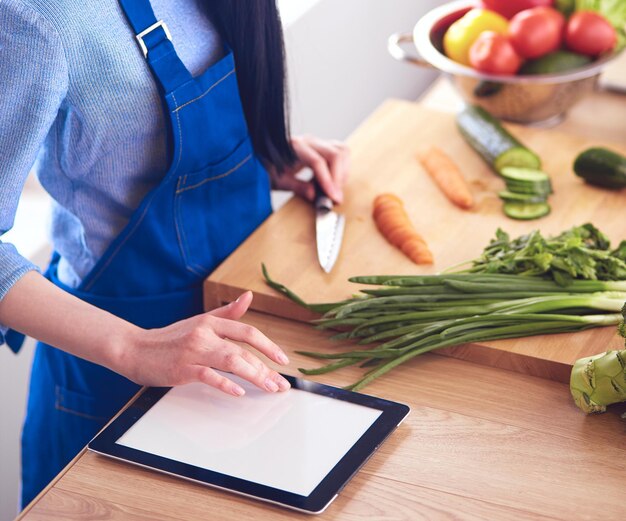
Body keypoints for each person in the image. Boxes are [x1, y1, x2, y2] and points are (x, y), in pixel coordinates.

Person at [0, 0, 350, 508]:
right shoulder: (36, 16)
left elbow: (127, 136)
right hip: (116, 385)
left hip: (246, 363)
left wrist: (259, 152)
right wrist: (134, 348)